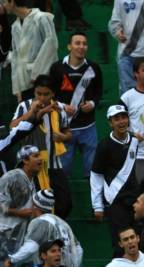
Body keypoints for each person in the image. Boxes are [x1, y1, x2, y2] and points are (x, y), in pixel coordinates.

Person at [9, 76, 71, 218]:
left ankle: (54, 232)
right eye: (38, 93)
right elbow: (12, 127)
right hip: (31, 167)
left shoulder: (58, 109)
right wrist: (31, 113)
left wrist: (63, 137)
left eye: (46, 94)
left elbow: (68, 132)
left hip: (54, 165)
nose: (42, 98)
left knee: (65, 204)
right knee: (36, 207)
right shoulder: (25, 106)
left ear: (53, 93)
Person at [49, 32, 102, 179]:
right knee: (63, 172)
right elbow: (49, 96)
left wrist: (92, 103)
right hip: (65, 128)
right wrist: (62, 106)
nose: (81, 46)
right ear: (69, 46)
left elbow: (99, 93)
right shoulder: (57, 68)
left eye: (84, 43)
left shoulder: (94, 68)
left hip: (88, 128)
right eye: (77, 43)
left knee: (92, 173)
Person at [90, 106, 140, 255]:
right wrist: (97, 205)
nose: (121, 122)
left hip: (135, 201)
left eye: (124, 117)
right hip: (115, 202)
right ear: (110, 123)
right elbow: (96, 174)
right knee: (120, 244)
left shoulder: (135, 140)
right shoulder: (104, 145)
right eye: (116, 119)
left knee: (138, 242)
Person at [8, 190, 81, 267]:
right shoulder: (62, 223)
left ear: (35, 206)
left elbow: (31, 248)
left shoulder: (41, 222)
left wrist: (12, 260)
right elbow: (78, 249)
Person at [8, 0, 58, 101]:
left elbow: (51, 45)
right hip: (24, 85)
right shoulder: (15, 26)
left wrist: (37, 74)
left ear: (12, 2)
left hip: (43, 82)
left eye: (3, 2)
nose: (2, 6)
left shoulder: (41, 18)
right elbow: (16, 58)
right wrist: (17, 89)